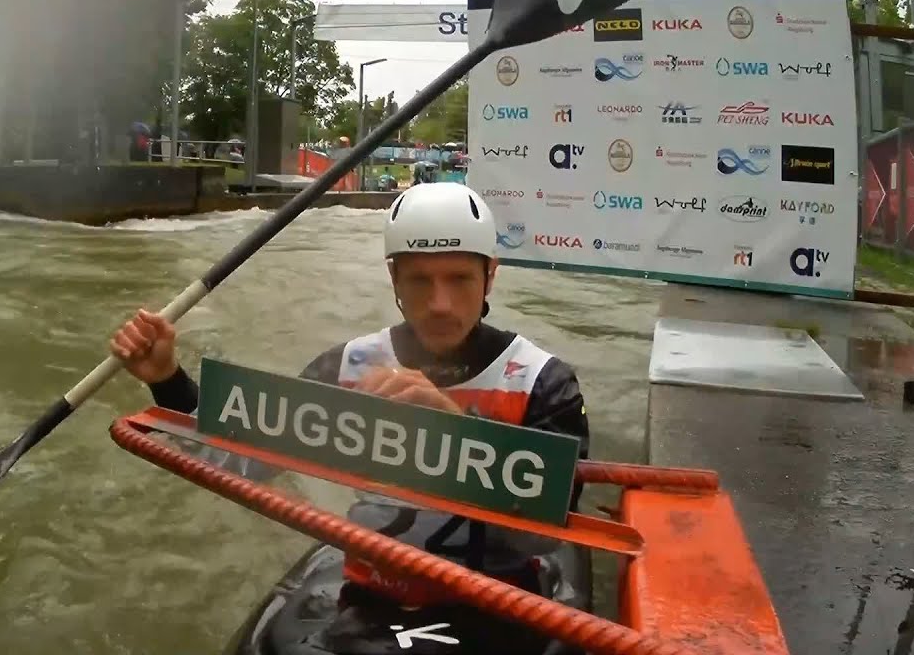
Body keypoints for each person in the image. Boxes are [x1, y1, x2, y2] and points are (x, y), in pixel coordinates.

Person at [109, 181, 589, 608]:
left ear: (490, 275)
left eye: (459, 279)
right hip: (371, 599)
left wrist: (458, 434)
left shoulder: (543, 382)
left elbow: (548, 540)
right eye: (420, 280)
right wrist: (166, 377)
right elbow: (239, 461)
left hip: (501, 604)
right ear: (394, 278)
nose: (440, 304)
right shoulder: (347, 367)